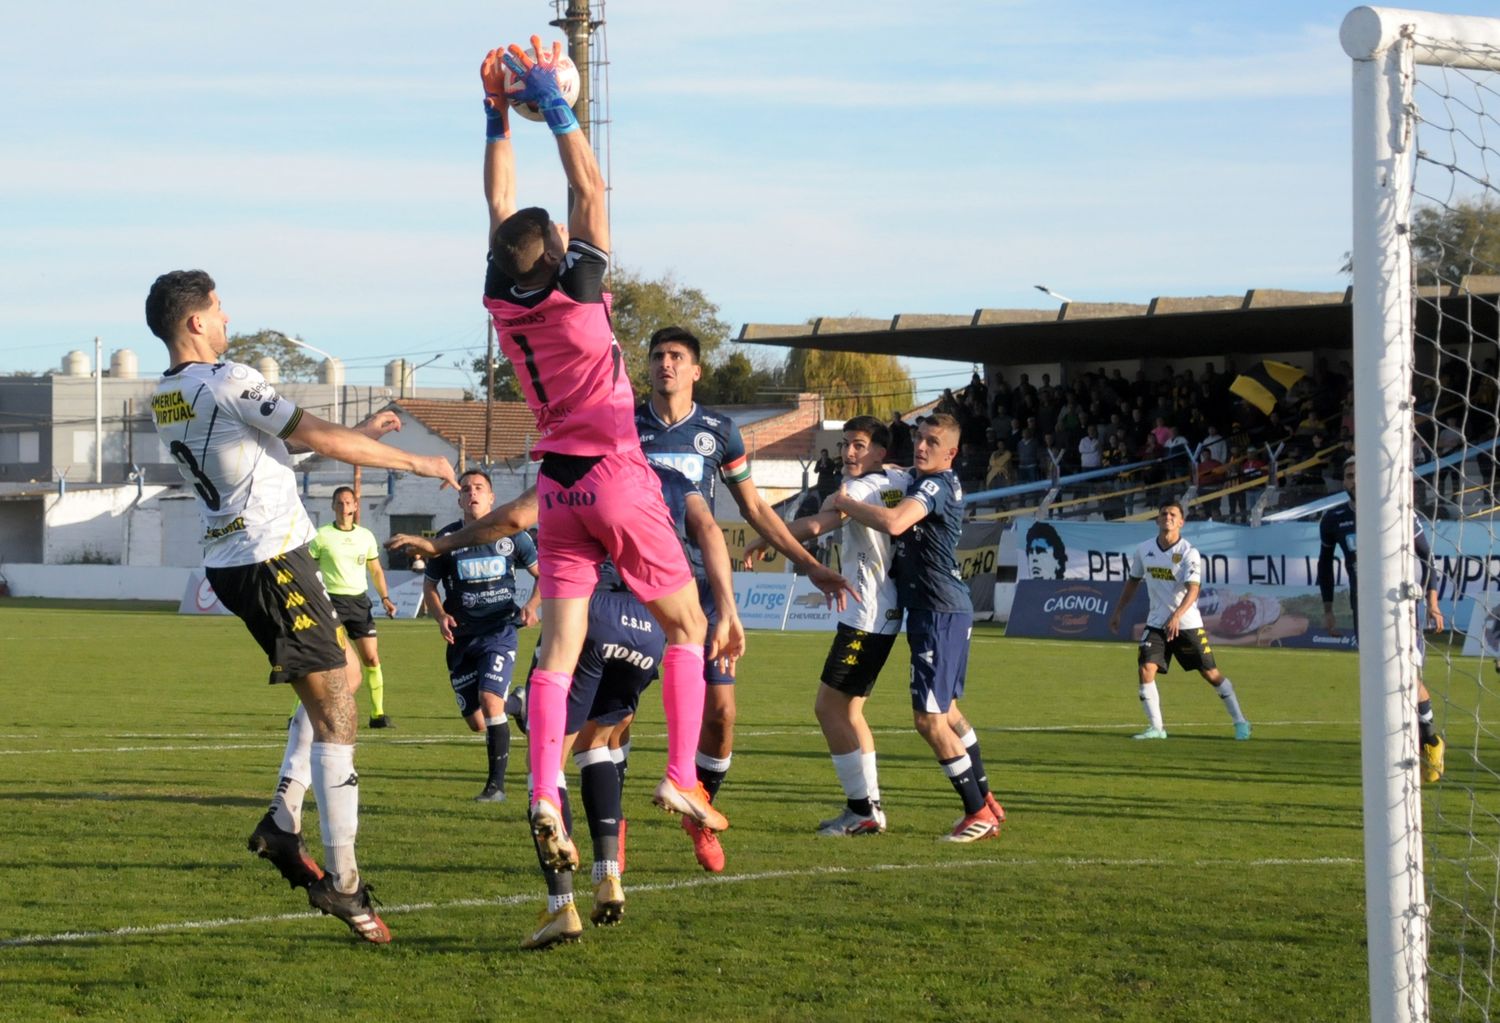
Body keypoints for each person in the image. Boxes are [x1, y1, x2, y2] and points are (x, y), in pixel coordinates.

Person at [480, 40, 828, 944]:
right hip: (616, 479)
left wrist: (491, 116)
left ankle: (543, 790)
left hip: (553, 488)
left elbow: (496, 207)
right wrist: (556, 105)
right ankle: (680, 771)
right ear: (557, 254)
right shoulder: (579, 294)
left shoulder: (503, 300)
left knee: (553, 659)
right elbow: (590, 195)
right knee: (686, 627)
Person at [145, 268, 458, 944]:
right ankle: (343, 880)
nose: (227, 319)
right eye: (219, 310)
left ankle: (284, 817)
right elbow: (310, 433)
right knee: (338, 711)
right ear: (195, 321)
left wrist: (358, 429)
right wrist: (415, 462)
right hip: (271, 561)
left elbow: (269, 457)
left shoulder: (167, 396)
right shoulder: (226, 378)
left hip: (241, 560)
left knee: (340, 677)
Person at [390, 465, 744, 944]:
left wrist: (440, 544)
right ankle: (609, 875)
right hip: (650, 627)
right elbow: (713, 530)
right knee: (598, 743)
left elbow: (513, 518)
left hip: (588, 614)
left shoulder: (576, 468)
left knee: (546, 771)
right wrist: (728, 605)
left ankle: (561, 907)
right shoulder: (667, 478)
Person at [636, 325, 856, 871]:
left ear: (696, 370)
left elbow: (757, 511)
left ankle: (699, 810)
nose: (666, 364)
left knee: (724, 714)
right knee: (616, 716)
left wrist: (808, 566)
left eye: (677, 356)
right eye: (658, 356)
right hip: (636, 584)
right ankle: (607, 855)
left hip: (703, 589)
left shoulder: (719, 432)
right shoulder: (623, 425)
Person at [833, 413, 1005, 842]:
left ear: (951, 453)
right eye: (918, 439)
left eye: (931, 442)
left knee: (928, 720)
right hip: (942, 610)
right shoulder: (927, 477)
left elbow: (894, 523)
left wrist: (846, 504)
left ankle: (976, 813)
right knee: (947, 712)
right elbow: (902, 473)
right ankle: (986, 799)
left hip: (937, 610)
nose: (921, 447)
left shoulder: (933, 485)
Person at [746, 416, 908, 836]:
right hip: (885, 611)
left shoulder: (853, 491)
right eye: (845, 445)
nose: (847, 453)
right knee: (851, 712)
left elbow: (817, 525)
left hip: (864, 614)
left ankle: (860, 810)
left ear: (878, 451)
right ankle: (871, 807)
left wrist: (767, 537)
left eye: (858, 445)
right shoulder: (898, 481)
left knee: (827, 708)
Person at [1317, 456, 1445, 781]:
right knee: (1378, 678)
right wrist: (1329, 609)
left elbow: (1427, 558)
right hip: (1363, 609)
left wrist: (1432, 603)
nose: (1354, 480)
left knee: (1407, 675)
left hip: (1400, 608)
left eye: (1360, 473)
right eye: (1348, 475)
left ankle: (1429, 739)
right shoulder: (1334, 519)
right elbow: (1324, 566)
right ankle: (1398, 746)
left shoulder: (1398, 513)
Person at [422, 470, 541, 801]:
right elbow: (429, 585)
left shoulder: (512, 534)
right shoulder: (447, 540)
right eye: (466, 489)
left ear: (491, 497)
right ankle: (518, 703)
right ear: (459, 499)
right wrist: (440, 615)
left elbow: (543, 574)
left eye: (479, 488)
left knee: (490, 703)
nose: (472, 493)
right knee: (477, 721)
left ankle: (496, 788)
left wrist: (532, 604)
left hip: (499, 631)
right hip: (461, 637)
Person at [1107, 501, 1252, 741]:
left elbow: (1193, 589)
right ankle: (1157, 728)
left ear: (1181, 522)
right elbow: (1133, 581)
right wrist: (1118, 611)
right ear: (1157, 520)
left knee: (1211, 674)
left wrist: (1176, 615)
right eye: (1163, 513)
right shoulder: (1144, 549)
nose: (1168, 517)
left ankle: (1241, 722)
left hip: (1186, 624)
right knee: (1146, 668)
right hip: (1156, 623)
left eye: (1173, 514)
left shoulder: (1188, 552)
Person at [309, 487, 398, 728]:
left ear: (355, 506)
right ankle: (299, 715)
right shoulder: (321, 536)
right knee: (322, 662)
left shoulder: (366, 536)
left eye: (348, 503)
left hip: (359, 603)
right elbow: (308, 570)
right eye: (340, 503)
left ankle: (378, 715)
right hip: (331, 603)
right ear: (333, 506)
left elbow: (376, 570)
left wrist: (386, 598)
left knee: (371, 657)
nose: (344, 507)